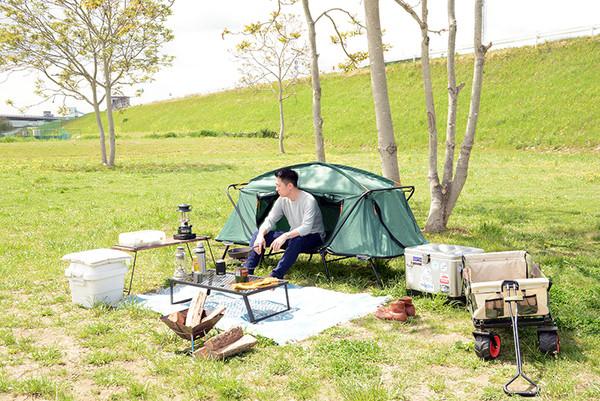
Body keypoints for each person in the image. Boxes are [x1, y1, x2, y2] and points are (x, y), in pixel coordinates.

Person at [244, 168, 325, 279]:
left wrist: (285, 236)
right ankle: (247, 272)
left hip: (314, 237)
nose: (276, 189)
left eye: (278, 186)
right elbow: (270, 220)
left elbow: (306, 228)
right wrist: (260, 236)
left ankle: (275, 276)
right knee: (258, 234)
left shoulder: (308, 200)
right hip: (292, 236)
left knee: (296, 240)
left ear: (290, 186)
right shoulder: (282, 199)